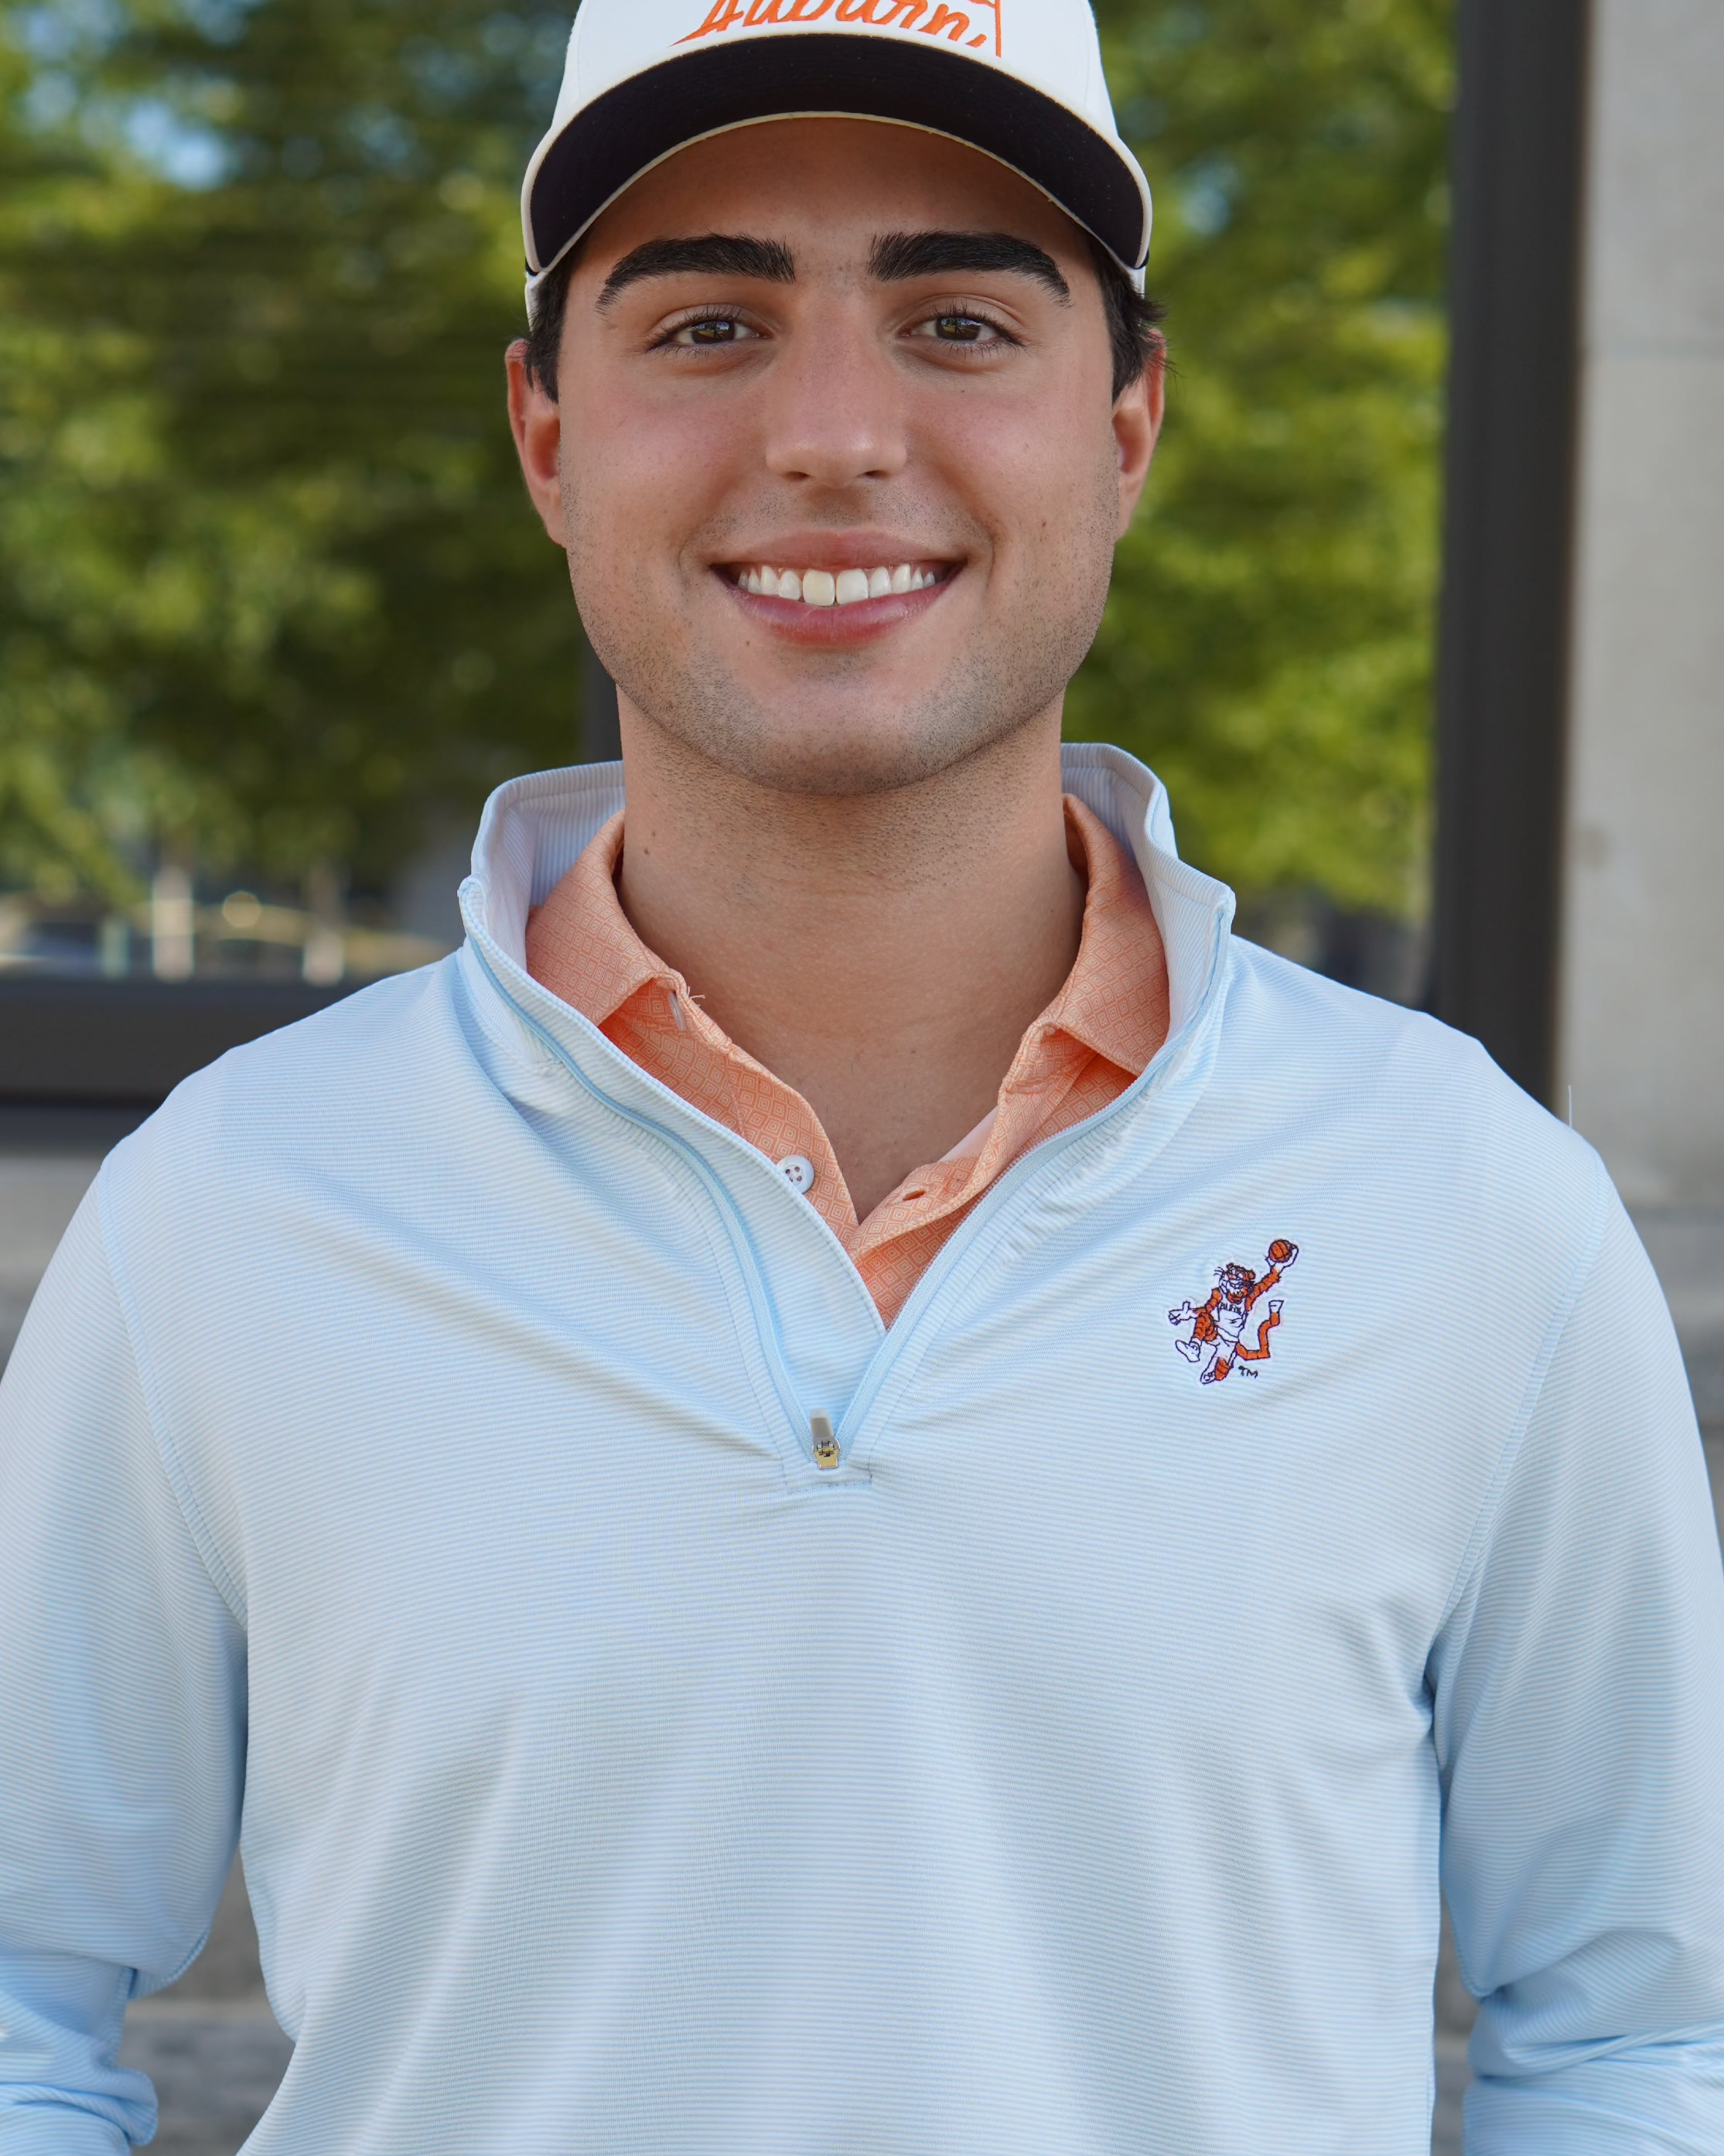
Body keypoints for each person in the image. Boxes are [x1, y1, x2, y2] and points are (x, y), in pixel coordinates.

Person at [2, 2, 1722, 2149]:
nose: (830, 434)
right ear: (547, 438)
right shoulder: (234, 1212)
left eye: (961, 321)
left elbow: (1640, 2041)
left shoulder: (1466, 1206)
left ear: (1127, 425)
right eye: (709, 324)